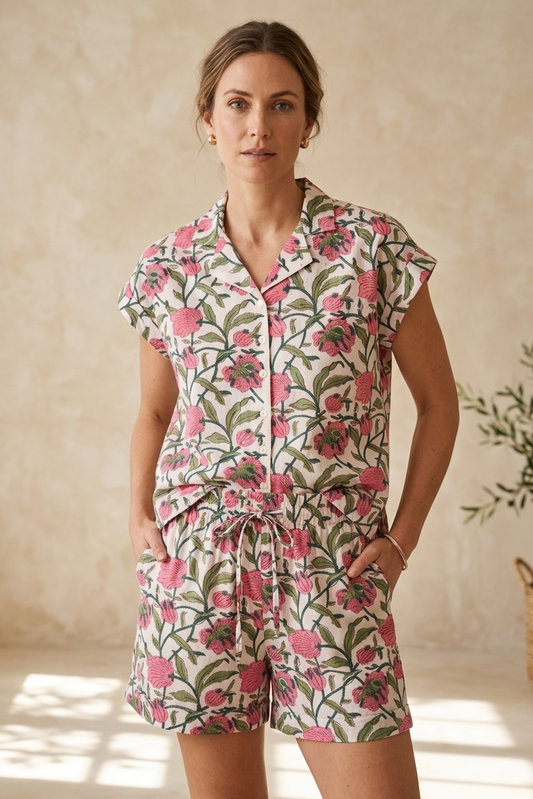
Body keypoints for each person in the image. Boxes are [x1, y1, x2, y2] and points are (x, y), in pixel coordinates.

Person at [118, 19, 459, 799]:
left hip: (331, 568)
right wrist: (141, 513)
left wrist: (400, 540)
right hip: (203, 568)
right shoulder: (169, 266)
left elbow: (439, 405)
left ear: (308, 122)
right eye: (236, 104)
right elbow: (154, 413)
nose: (256, 125)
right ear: (207, 119)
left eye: (280, 104)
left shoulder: (373, 250)